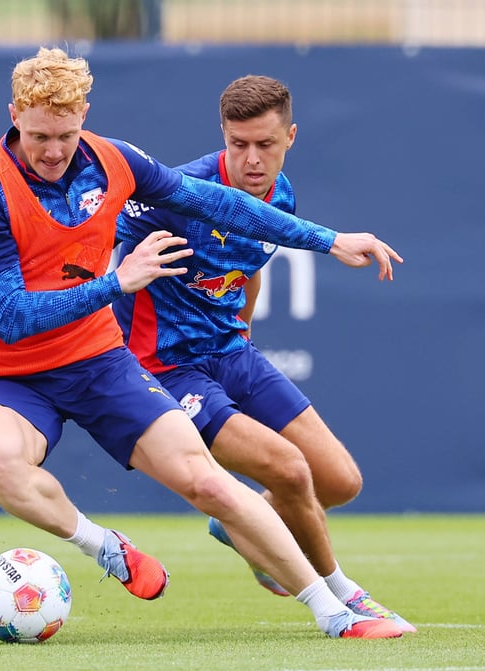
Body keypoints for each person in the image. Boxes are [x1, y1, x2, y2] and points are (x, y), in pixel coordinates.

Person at [0, 47, 404, 639]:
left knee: (211, 481)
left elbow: (218, 204)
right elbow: (10, 317)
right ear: (13, 113)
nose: (52, 151)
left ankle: (336, 611)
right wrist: (118, 282)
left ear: (85, 115)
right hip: (8, 369)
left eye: (65, 134)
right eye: (38, 134)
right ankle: (103, 545)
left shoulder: (116, 160)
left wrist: (327, 240)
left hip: (95, 358)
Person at [113, 75, 415, 632]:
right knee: (291, 471)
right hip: (166, 369)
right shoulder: (176, 194)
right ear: (223, 137)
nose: (252, 159)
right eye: (238, 144)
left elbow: (247, 269)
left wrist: (243, 330)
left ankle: (241, 524)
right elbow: (101, 248)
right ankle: (344, 598)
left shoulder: (283, 195)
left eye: (266, 145)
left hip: (231, 351)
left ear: (291, 137)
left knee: (341, 482)